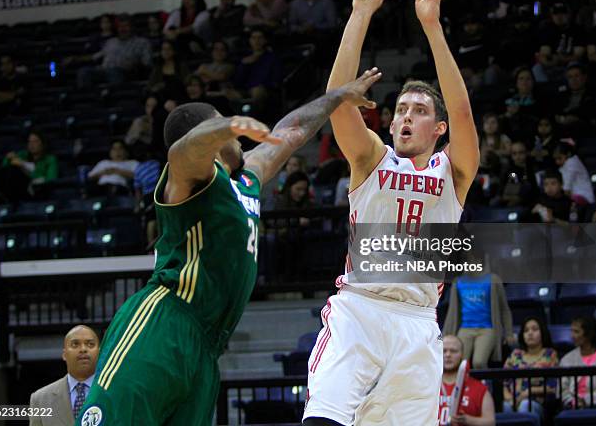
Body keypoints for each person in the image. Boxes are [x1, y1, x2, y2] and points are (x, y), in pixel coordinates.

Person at [75, 70, 382, 426]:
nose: (240, 140)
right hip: (165, 322)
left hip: (207, 345)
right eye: (225, 129)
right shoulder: (190, 179)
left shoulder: (248, 178)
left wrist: (338, 97)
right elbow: (182, 151)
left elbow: (292, 132)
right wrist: (228, 124)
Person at [303, 0, 480, 426]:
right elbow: (336, 104)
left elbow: (461, 109)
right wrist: (360, 13)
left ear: (438, 129)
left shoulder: (453, 170)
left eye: (419, 111)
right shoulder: (372, 159)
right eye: (400, 109)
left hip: (418, 324)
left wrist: (433, 29)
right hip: (359, 311)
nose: (405, 117)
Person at [30, 325, 100, 426]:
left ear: (99, 352)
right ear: (64, 354)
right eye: (75, 344)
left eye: (90, 344)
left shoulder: (115, 392)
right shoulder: (40, 399)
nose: (83, 349)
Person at [444, 273, 515, 369]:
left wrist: (509, 333)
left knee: (479, 362)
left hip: (486, 328)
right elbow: (452, 312)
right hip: (465, 327)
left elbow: (504, 309)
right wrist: (444, 336)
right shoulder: (458, 282)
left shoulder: (493, 280)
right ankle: (461, 384)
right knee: (459, 363)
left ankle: (481, 384)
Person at [502, 317, 559, 425]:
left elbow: (552, 387)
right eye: (526, 330)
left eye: (534, 329)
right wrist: (510, 398)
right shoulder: (515, 354)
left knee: (525, 405)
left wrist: (528, 392)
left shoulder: (549, 354)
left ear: (542, 332)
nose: (530, 333)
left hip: (537, 403)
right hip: (512, 401)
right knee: (505, 407)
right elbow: (503, 383)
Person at [76, 15, 152, 88]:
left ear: (132, 27)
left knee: (114, 72)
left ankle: (116, 98)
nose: (123, 29)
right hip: (104, 70)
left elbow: (147, 63)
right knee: (84, 72)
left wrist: (135, 64)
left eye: (126, 26)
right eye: (120, 27)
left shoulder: (142, 42)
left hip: (127, 72)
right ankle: (90, 99)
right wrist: (74, 59)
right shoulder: (111, 42)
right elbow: (95, 57)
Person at [439, 335, 496, 426]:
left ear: (462, 355)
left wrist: (468, 420)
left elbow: (491, 422)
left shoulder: (480, 388)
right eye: (443, 351)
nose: (448, 354)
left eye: (453, 351)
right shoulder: (426, 386)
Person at [0, 129, 58, 204]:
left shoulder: (50, 159)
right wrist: (7, 159)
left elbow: (51, 179)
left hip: (35, 189)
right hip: (15, 186)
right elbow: (4, 170)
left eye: (35, 141)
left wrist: (25, 170)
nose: (31, 144)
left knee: (15, 171)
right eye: (29, 142)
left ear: (43, 144)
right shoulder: (22, 154)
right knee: (2, 170)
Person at [560, 316, 596, 409]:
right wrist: (572, 402)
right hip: (574, 406)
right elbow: (563, 390)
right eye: (571, 331)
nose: (572, 336)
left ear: (589, 334)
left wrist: (587, 400)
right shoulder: (566, 359)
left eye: (576, 332)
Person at [553, 141, 595, 207]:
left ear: (568, 154)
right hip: (574, 195)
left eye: (559, 158)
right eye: (555, 159)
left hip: (583, 196)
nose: (557, 162)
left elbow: (567, 187)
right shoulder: (565, 165)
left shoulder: (572, 163)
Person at [0, 54, 24, 118]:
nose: (6, 66)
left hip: (18, 116)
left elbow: (20, 95)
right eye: (3, 64)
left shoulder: (22, 79)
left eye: (8, 63)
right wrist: (12, 95)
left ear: (14, 63)